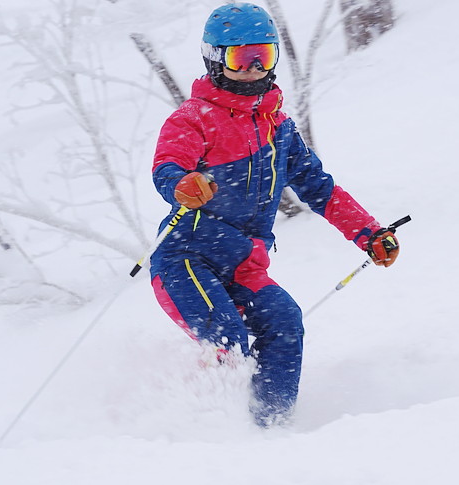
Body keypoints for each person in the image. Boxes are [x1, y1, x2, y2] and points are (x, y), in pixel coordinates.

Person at [149, 2, 400, 427]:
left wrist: (369, 233)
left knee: (285, 320)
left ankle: (271, 428)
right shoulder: (192, 120)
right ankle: (205, 431)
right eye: (239, 58)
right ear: (215, 59)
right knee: (226, 337)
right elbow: (167, 165)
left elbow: (319, 188)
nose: (251, 69)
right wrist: (181, 183)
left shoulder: (278, 128)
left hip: (244, 263)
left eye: (261, 57)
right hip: (186, 258)